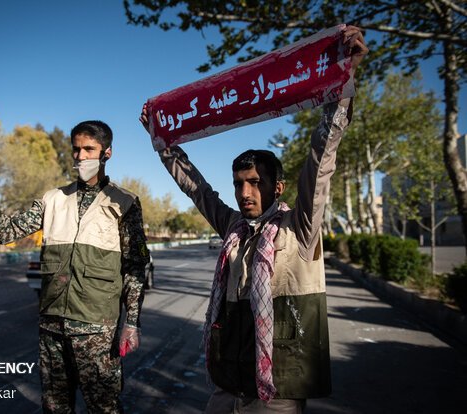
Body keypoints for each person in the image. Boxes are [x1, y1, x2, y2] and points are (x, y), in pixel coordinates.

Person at [140, 26, 368, 414]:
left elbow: (321, 159)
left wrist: (343, 84)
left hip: (277, 391)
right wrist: (163, 144)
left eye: (254, 183)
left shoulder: (300, 227)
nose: (244, 193)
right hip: (228, 383)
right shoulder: (233, 228)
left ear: (277, 187)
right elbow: (198, 190)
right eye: (238, 184)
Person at [0, 120, 149, 413]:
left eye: (89, 149)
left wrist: (131, 323)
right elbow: (6, 231)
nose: (81, 156)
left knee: (103, 407)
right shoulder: (52, 199)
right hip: (51, 326)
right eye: (76, 149)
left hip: (95, 329)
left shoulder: (124, 202)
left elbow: (136, 266)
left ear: (107, 153)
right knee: (54, 407)